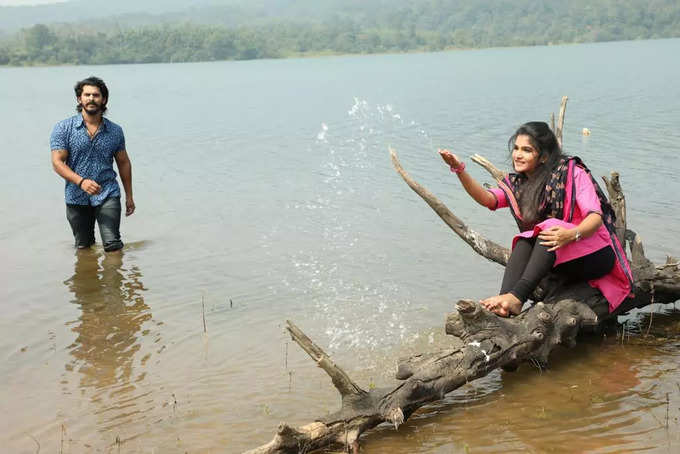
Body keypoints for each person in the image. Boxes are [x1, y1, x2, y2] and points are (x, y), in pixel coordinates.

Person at [439, 121, 633, 317]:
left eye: (526, 150)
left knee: (548, 229)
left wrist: (570, 234)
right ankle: (504, 303)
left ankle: (516, 297)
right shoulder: (520, 184)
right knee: (524, 240)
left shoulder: (572, 173)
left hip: (596, 256)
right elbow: (488, 199)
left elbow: (595, 217)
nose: (518, 154)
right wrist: (459, 169)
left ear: (544, 156)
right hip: (561, 258)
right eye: (516, 148)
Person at [50, 76, 135, 252]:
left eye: (96, 95)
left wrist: (129, 196)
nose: (91, 99)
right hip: (76, 195)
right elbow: (57, 162)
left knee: (113, 246)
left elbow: (124, 163)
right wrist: (81, 182)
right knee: (83, 247)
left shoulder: (115, 131)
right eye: (87, 95)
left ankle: (113, 279)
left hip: (108, 193)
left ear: (103, 100)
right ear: (79, 99)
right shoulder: (63, 128)